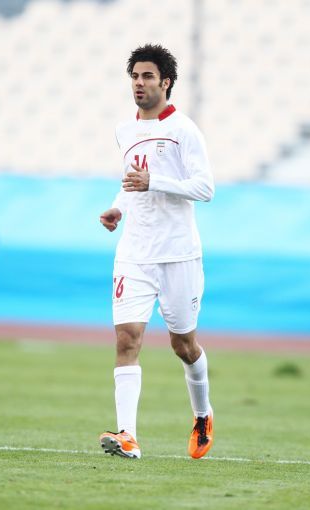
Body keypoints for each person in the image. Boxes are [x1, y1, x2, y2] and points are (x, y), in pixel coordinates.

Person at [98, 44, 215, 460]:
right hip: (134, 252)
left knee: (184, 345)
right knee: (127, 338)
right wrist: (119, 206)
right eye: (134, 76)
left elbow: (205, 188)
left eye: (147, 76)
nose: (139, 83)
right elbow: (131, 182)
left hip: (178, 254)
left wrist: (155, 182)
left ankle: (202, 414)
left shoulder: (184, 130)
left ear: (166, 82)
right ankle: (128, 436)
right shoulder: (124, 130)